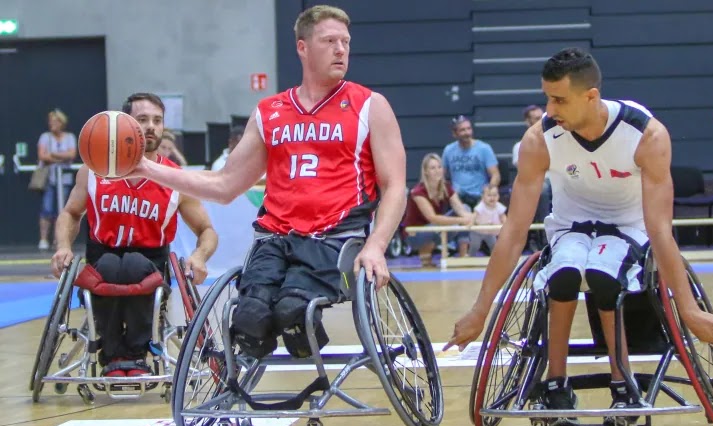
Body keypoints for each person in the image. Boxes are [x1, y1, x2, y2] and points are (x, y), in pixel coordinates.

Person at [445, 48, 713, 426]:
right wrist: (480, 310)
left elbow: (661, 229)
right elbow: (514, 231)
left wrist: (689, 309)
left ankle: (623, 382)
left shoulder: (646, 134)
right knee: (562, 271)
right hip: (570, 225)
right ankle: (556, 383)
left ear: (591, 96)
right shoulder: (539, 139)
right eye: (548, 97)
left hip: (628, 227)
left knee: (602, 271)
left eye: (559, 99)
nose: (549, 109)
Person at [123, 5, 407, 360]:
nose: (340, 49)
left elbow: (395, 185)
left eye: (345, 42)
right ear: (302, 47)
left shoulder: (369, 106)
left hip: (334, 240)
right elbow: (225, 185)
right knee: (249, 318)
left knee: (292, 311)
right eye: (329, 41)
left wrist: (377, 244)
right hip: (274, 239)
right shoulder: (270, 111)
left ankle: (306, 344)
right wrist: (149, 169)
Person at [51, 92, 218, 377]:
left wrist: (200, 256)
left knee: (133, 265)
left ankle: (135, 353)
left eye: (157, 120)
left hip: (151, 263)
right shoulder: (93, 170)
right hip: (102, 258)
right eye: (142, 119)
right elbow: (70, 213)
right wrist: (63, 246)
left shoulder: (176, 178)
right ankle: (114, 354)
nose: (151, 126)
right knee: (112, 266)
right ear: (125, 123)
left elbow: (207, 230)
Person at [404, 153, 474, 266]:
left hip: (436, 228)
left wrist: (468, 217)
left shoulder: (446, 187)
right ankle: (425, 257)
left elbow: (460, 208)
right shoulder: (417, 192)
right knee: (440, 226)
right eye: (433, 168)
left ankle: (463, 256)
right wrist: (461, 221)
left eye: (439, 167)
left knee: (466, 208)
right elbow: (433, 218)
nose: (437, 170)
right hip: (415, 234)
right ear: (425, 171)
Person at [37, 109, 77, 250]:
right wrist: (61, 156)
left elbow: (72, 154)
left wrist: (53, 154)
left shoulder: (70, 137)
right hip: (49, 179)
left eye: (55, 121)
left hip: (64, 179)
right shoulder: (45, 137)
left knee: (64, 210)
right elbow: (42, 156)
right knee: (47, 209)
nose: (52, 124)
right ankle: (43, 239)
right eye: (50, 121)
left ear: (61, 122)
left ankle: (59, 240)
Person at [513, 104, 551, 250]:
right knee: (543, 189)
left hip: (557, 180)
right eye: (536, 119)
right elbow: (528, 171)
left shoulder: (556, 141)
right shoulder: (520, 146)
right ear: (527, 122)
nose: (541, 121)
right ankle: (543, 239)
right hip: (536, 183)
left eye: (542, 117)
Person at [442, 115, 500, 208]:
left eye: (469, 129)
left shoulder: (484, 148)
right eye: (462, 130)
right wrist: (448, 192)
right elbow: (441, 176)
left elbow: (495, 175)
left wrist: (488, 193)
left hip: (480, 197)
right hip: (457, 198)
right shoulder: (448, 150)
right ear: (454, 134)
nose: (467, 133)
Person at [468, 185, 507, 257]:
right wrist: (471, 223)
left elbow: (503, 216)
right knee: (475, 245)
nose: (492, 198)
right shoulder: (481, 206)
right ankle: (471, 257)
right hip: (478, 231)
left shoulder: (499, 206)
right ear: (483, 197)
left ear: (498, 196)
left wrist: (506, 224)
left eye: (495, 195)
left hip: (490, 232)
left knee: (494, 245)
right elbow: (474, 215)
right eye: (489, 195)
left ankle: (494, 258)